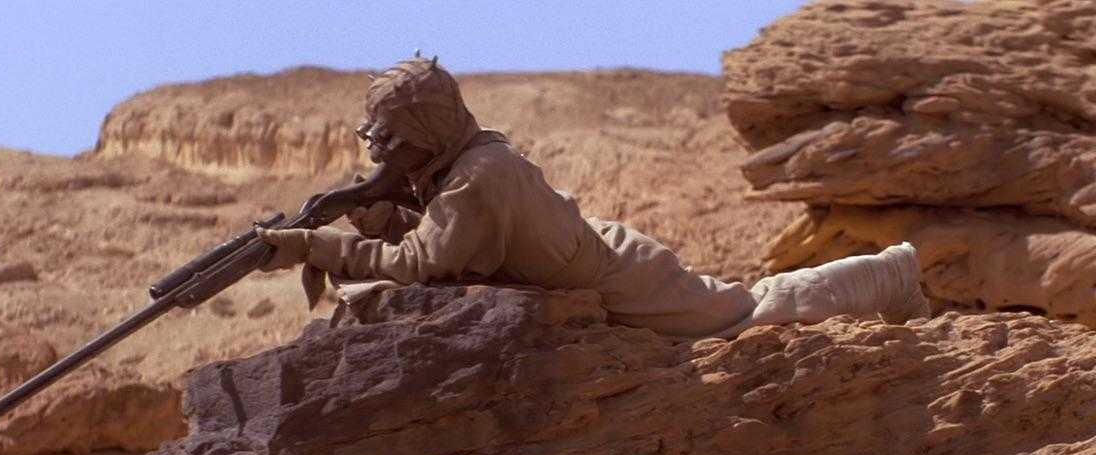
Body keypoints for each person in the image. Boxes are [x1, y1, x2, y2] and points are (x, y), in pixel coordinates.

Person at [256, 55, 929, 340]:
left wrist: (317, 245)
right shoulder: (467, 160)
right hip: (593, 259)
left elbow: (421, 262)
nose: (385, 157)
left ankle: (890, 274)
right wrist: (374, 208)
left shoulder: (477, 177)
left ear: (425, 134)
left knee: (749, 313)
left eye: (393, 143)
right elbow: (448, 235)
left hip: (621, 277)